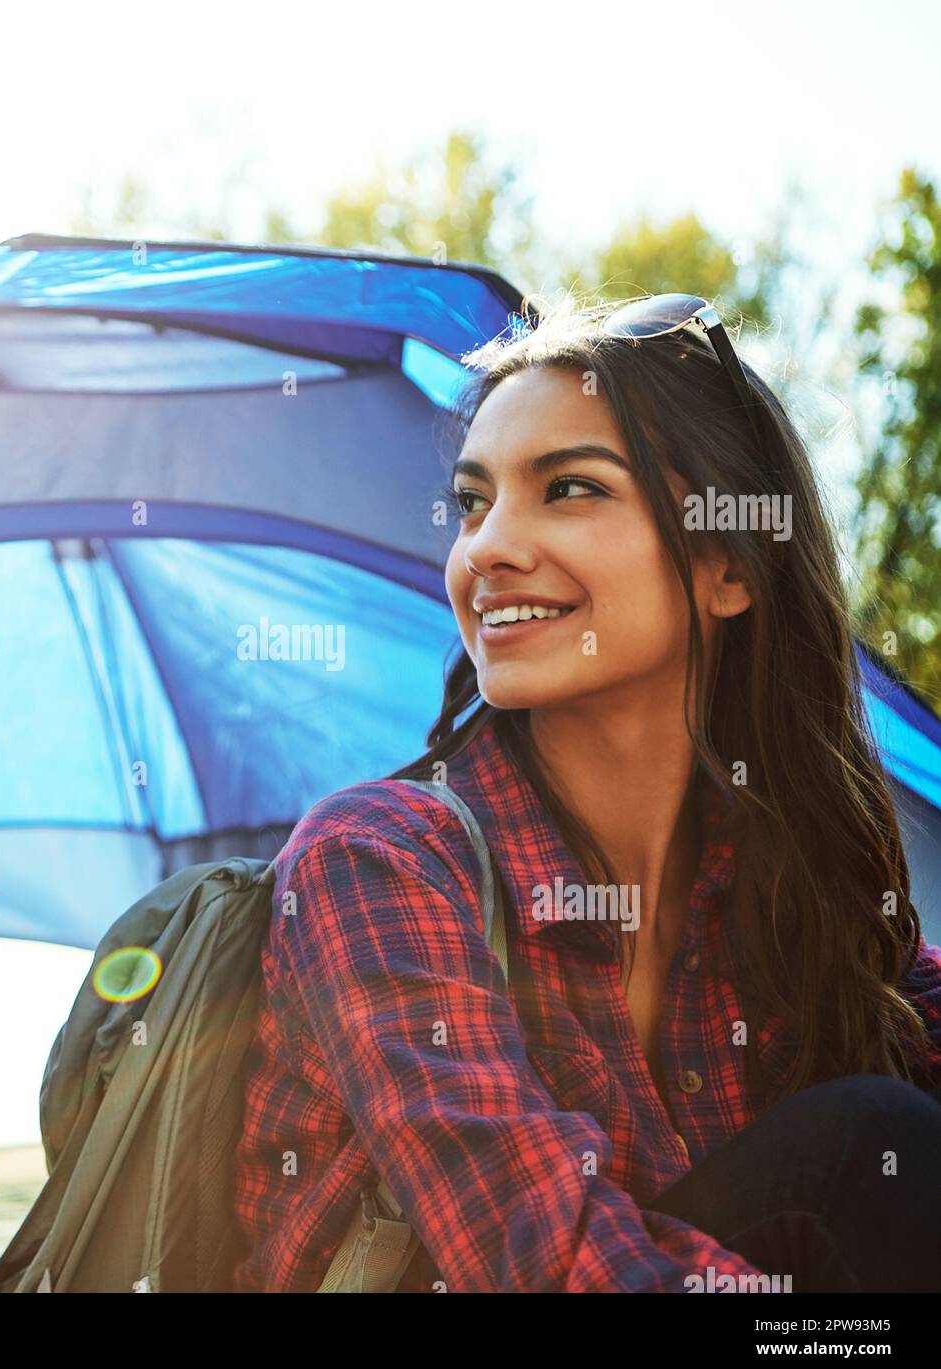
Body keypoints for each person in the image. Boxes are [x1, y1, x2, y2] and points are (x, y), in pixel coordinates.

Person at [229, 293, 941, 1292]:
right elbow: (550, 1267)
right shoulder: (380, 862)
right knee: (864, 1153)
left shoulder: (795, 893)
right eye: (474, 503)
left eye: (566, 490)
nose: (486, 550)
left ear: (727, 564)